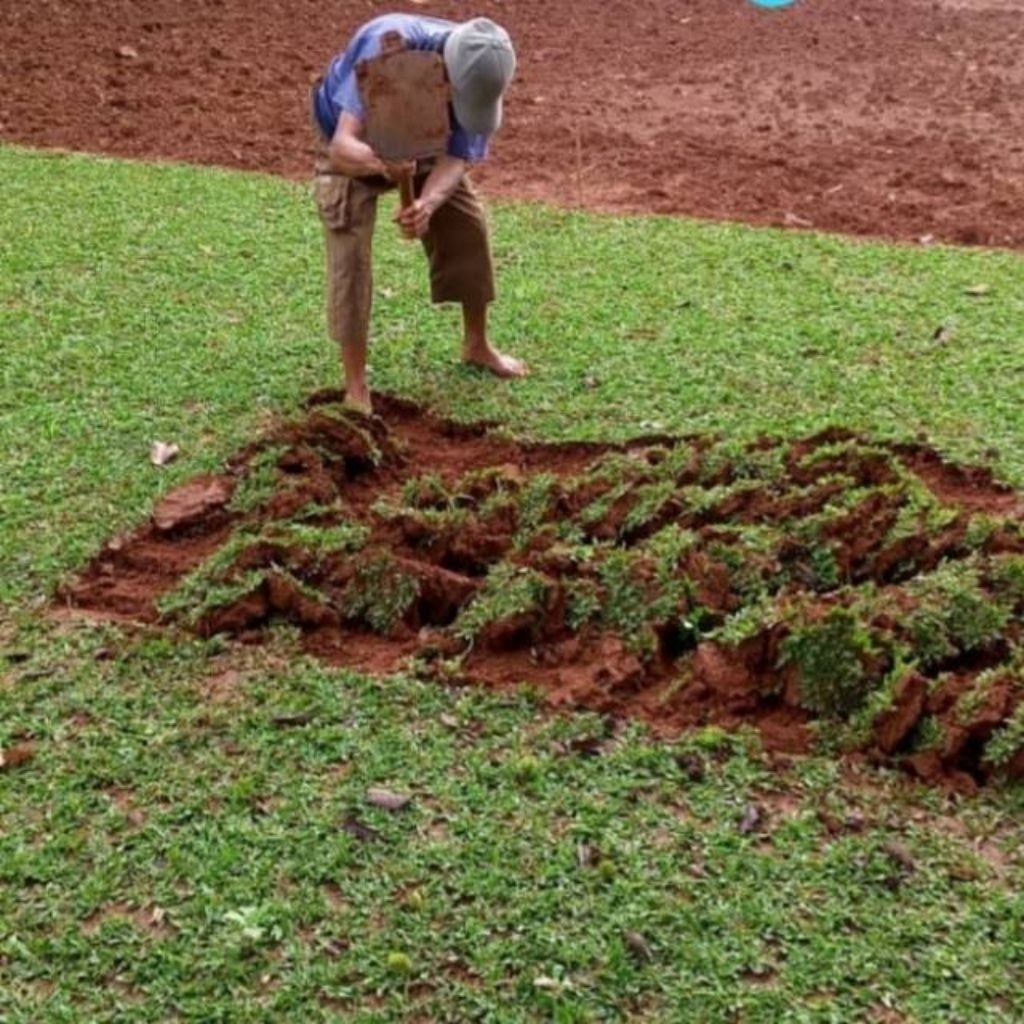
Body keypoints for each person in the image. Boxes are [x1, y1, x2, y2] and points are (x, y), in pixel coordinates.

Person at [311, 13, 528, 414]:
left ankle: (476, 345)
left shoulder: (483, 68)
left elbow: (460, 155)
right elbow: (342, 146)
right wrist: (385, 164)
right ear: (445, 75)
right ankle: (356, 387)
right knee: (349, 253)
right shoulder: (388, 47)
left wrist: (426, 203)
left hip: (424, 143)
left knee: (467, 227)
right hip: (357, 147)